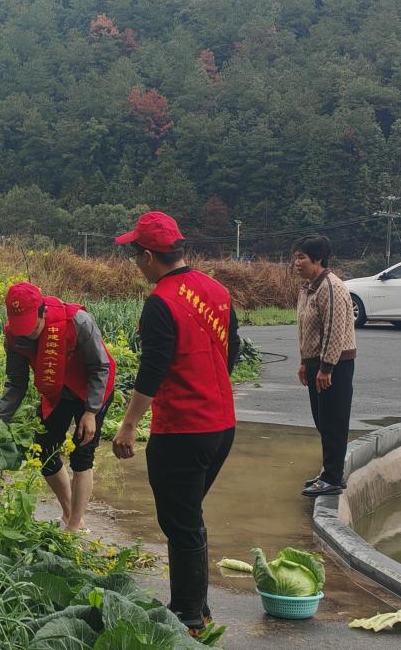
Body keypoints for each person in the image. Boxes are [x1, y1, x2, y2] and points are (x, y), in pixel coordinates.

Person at [111, 211, 240, 637]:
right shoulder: (218, 290)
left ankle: (188, 616)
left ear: (149, 256)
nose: (136, 265)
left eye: (136, 256)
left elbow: (153, 370)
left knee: (181, 522)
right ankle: (195, 606)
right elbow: (232, 352)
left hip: (183, 429)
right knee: (189, 517)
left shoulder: (160, 301)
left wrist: (129, 425)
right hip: (221, 427)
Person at [0, 282, 116, 533]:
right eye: (22, 329)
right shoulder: (14, 336)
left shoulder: (78, 321)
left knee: (82, 453)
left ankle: (73, 528)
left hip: (91, 389)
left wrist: (91, 412)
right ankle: (71, 513)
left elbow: (100, 367)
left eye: (33, 327)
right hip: (57, 391)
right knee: (44, 450)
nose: (28, 334)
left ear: (42, 312)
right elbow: (16, 381)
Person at [292, 234, 356, 498]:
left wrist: (326, 368)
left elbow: (334, 330)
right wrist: (305, 363)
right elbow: (307, 328)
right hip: (316, 362)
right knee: (322, 419)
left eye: (301, 258)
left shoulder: (331, 286)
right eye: (295, 257)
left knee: (333, 420)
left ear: (317, 259)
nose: (296, 263)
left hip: (335, 364)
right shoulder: (309, 287)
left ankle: (331, 478)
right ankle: (329, 472)